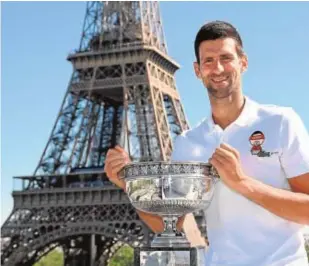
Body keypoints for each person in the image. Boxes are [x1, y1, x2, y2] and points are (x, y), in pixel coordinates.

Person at [105, 20, 309, 265]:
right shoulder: (188, 143)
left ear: (243, 63)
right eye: (208, 61)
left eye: (226, 58)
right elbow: (172, 224)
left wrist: (242, 182)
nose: (218, 68)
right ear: (197, 70)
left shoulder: (280, 122)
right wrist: (130, 185)